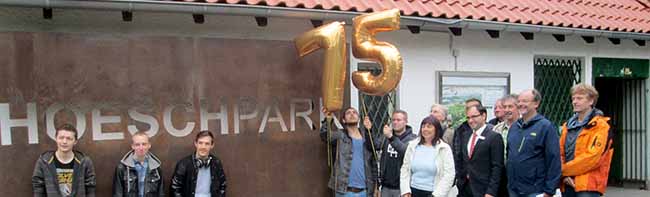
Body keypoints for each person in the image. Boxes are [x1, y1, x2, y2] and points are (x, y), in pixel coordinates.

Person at [559, 84, 613, 197]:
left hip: (588, 186)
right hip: (567, 183)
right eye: (573, 98)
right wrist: (564, 176)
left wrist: (563, 171)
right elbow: (560, 152)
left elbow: (592, 158)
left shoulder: (601, 126)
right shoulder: (567, 126)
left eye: (579, 98)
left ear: (591, 101)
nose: (574, 101)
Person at [506, 89, 561, 197]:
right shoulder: (514, 127)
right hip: (514, 189)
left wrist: (549, 190)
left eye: (525, 101)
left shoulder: (546, 127)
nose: (521, 104)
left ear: (536, 103)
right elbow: (509, 155)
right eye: (519, 101)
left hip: (535, 190)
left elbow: (554, 160)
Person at [320, 107, 377, 197]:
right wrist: (328, 120)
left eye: (354, 112)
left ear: (359, 118)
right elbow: (325, 136)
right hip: (344, 191)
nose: (352, 114)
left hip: (365, 191)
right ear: (343, 120)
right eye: (348, 113)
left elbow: (373, 161)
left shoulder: (366, 136)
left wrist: (369, 130)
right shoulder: (340, 135)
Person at [32, 123, 96, 197]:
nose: (64, 142)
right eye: (61, 138)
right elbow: (38, 187)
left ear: (75, 141)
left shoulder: (84, 162)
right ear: (56, 139)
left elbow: (90, 188)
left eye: (69, 138)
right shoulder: (44, 161)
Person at [399, 116, 455, 197]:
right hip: (412, 191)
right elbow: (405, 169)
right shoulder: (412, 145)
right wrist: (405, 191)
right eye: (423, 126)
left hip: (433, 192)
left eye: (429, 127)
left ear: (436, 129)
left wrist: (436, 195)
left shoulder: (444, 149)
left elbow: (449, 175)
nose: (425, 129)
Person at [454, 105, 504, 197]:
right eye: (468, 117)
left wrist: (491, 192)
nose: (470, 121)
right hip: (465, 189)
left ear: (483, 116)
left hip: (483, 190)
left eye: (474, 117)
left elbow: (497, 167)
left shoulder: (494, 137)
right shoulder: (465, 136)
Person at [170, 131, 226, 197]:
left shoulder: (216, 163)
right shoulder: (184, 164)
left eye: (207, 144)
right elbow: (175, 188)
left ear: (212, 145)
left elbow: (222, 185)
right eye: (200, 143)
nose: (203, 147)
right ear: (195, 144)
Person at [375, 110, 418, 197]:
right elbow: (374, 145)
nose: (395, 122)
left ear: (406, 122)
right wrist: (369, 129)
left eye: (398, 120)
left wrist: (391, 137)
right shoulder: (386, 137)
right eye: (393, 120)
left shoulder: (413, 139)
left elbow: (405, 151)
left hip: (402, 187)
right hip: (386, 186)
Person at [113, 131, 164, 197]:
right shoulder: (122, 167)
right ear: (132, 146)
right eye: (137, 144)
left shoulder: (156, 167)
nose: (141, 148)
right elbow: (118, 194)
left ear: (149, 145)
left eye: (144, 144)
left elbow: (161, 193)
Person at [492, 94, 519, 197]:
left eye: (510, 106)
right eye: (505, 107)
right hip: (500, 174)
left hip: (518, 175)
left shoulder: (524, 127)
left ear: (518, 108)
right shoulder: (496, 129)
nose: (507, 110)